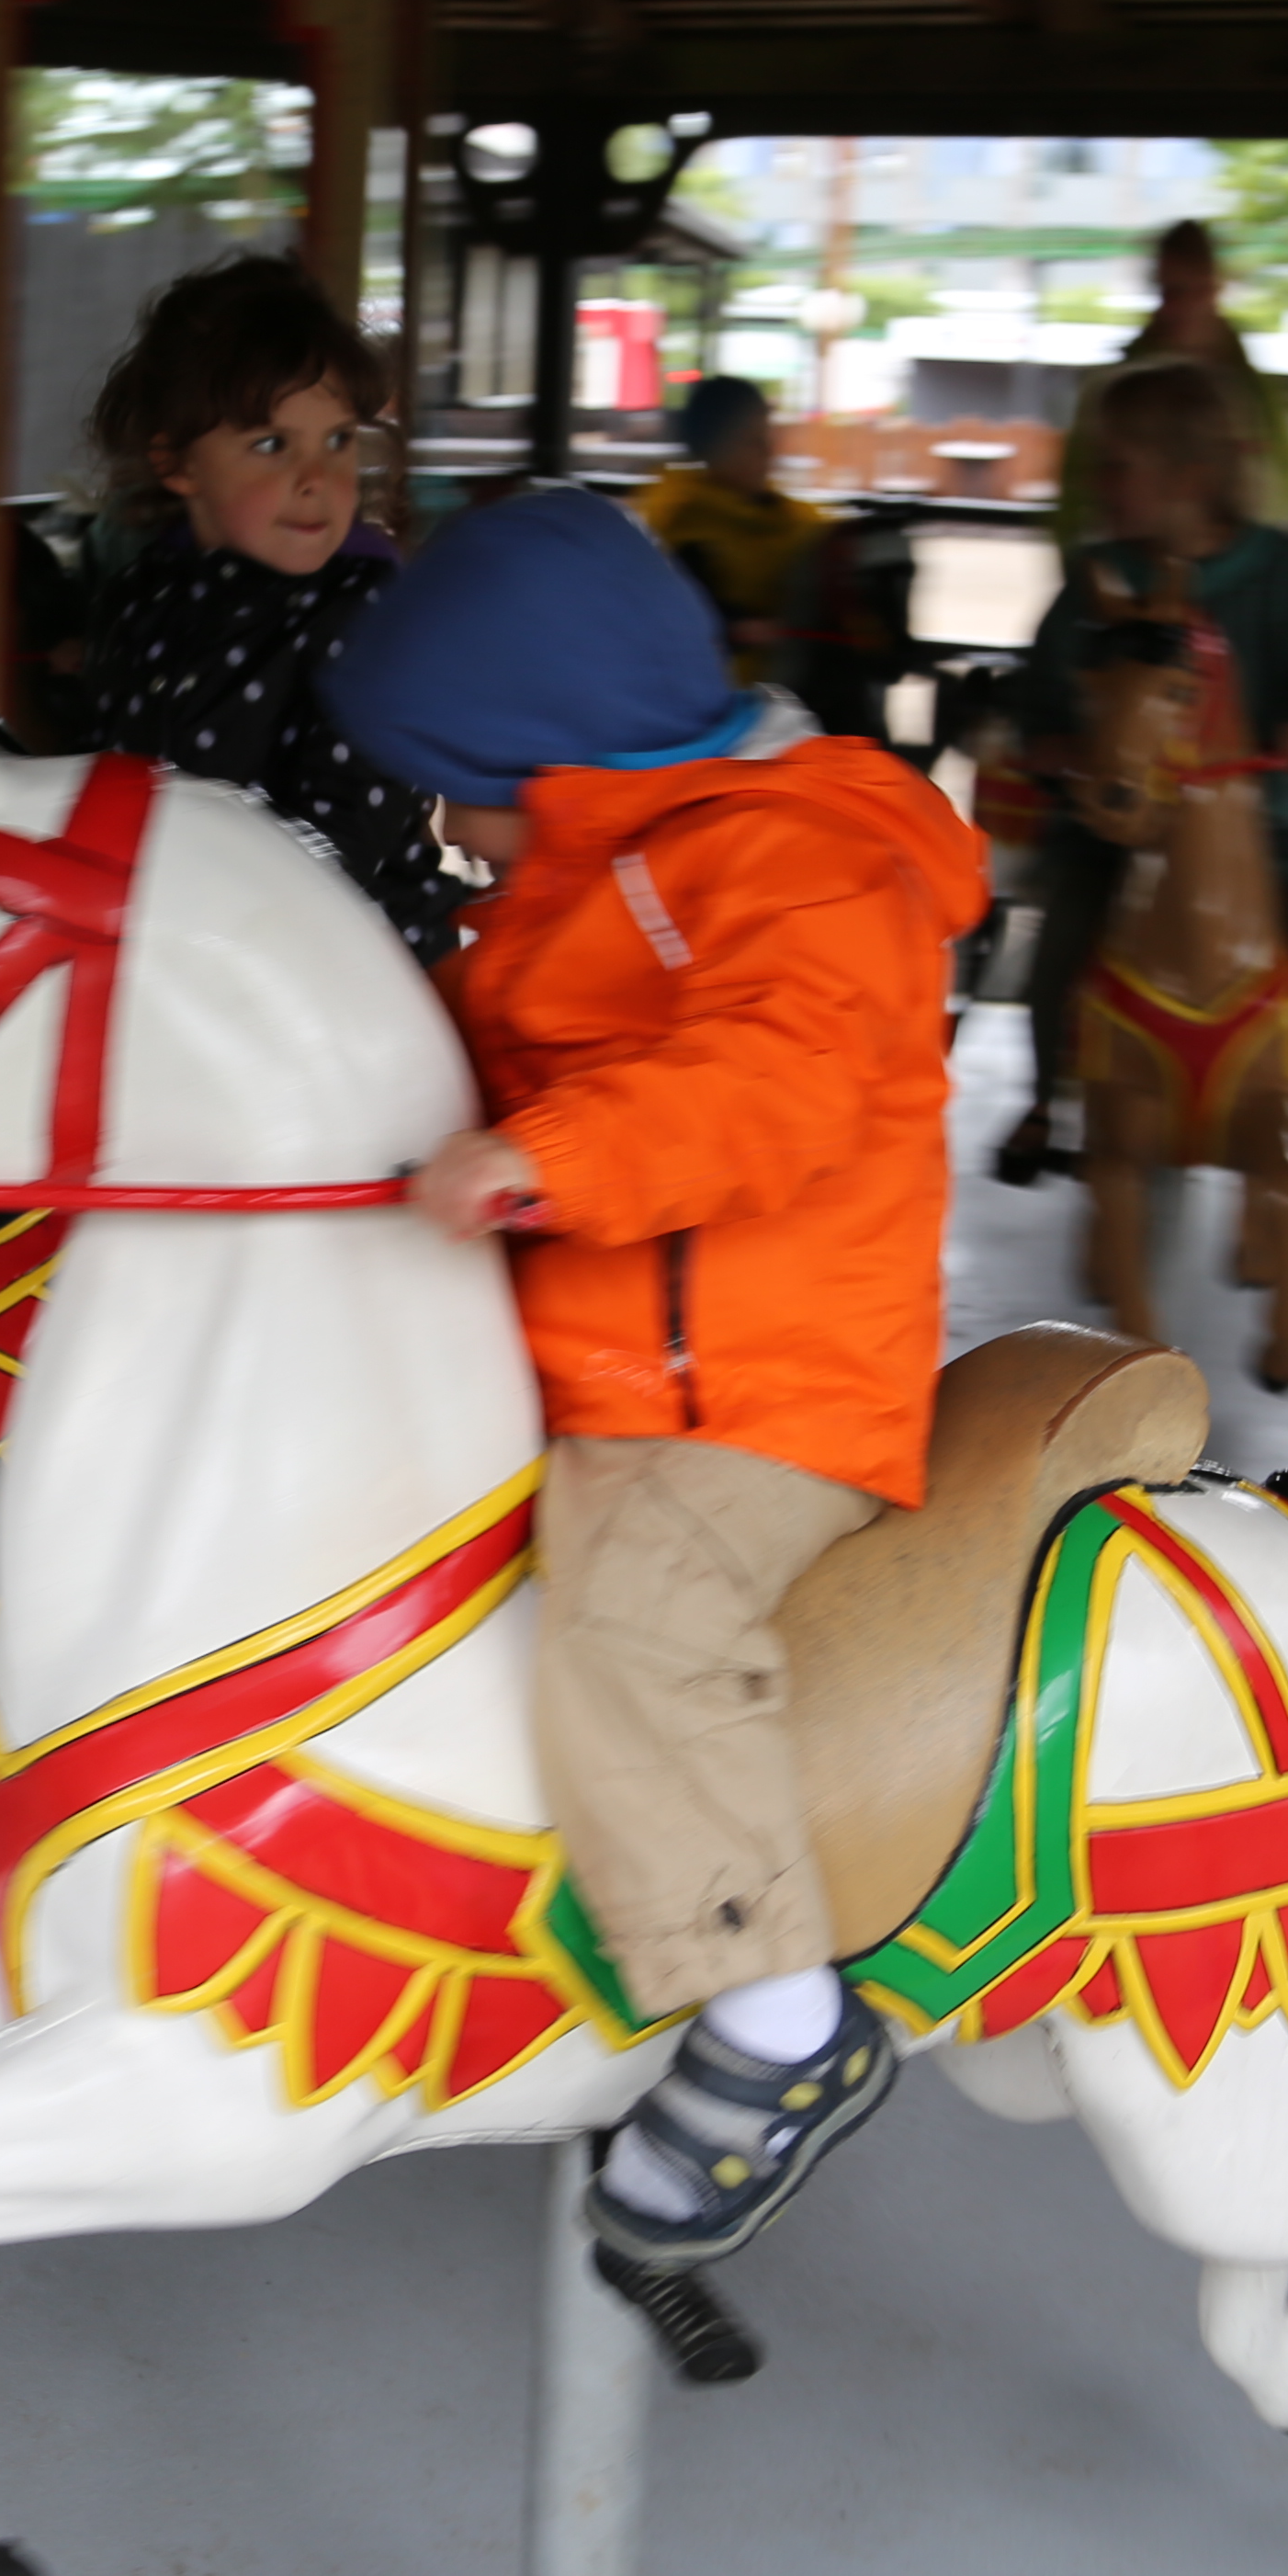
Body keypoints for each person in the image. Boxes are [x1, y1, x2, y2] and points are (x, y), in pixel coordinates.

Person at [325, 485, 985, 2271]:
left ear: (545, 757)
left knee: (633, 1615)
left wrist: (540, 1162)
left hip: (763, 1390)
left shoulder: (803, 864)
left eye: (447, 783)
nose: (439, 829)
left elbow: (766, 1088)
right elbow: (499, 1033)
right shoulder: (587, 868)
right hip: (604, 1350)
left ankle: (772, 2016)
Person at [993, 357, 1288, 1187]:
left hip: (1253, 825)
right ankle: (1048, 1094)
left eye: (1118, 465)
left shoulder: (1277, 575)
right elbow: (1044, 689)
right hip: (1116, 819)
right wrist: (1052, 739)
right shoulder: (1098, 583)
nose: (1099, 483)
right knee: (1065, 925)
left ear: (1191, 475)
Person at [80, 255, 463, 961]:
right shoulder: (142, 598)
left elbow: (345, 840)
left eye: (339, 440)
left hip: (353, 963)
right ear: (178, 465)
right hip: (188, 952)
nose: (317, 480)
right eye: (271, 445)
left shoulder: (365, 612)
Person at [1053, 219, 1288, 532]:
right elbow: (1078, 499)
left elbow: (1279, 498)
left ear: (1213, 289)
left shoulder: (1252, 393)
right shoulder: (1114, 389)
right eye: (1165, 292)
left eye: (1183, 291)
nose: (1172, 309)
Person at [631, 373, 834, 666]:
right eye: (753, 442)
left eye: (768, 438)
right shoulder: (685, 526)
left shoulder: (792, 518)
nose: (768, 452)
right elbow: (688, 621)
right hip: (733, 701)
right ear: (716, 451)